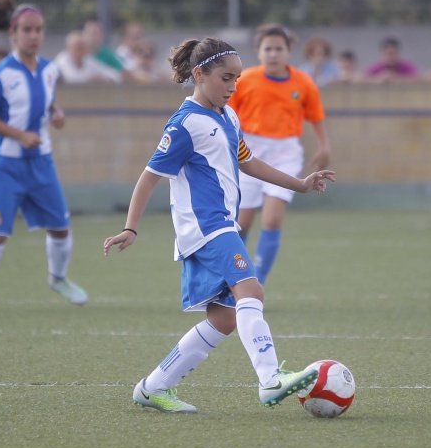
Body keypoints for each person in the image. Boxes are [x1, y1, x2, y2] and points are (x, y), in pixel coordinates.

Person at [102, 37, 336, 412]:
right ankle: (271, 379)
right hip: (207, 228)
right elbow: (148, 176)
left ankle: (152, 387)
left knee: (225, 318)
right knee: (252, 292)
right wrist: (131, 228)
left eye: (237, 79)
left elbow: (249, 162)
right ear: (199, 74)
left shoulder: (228, 116)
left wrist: (300, 184)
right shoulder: (184, 124)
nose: (233, 86)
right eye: (226, 78)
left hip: (218, 225)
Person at [0, 0, 88, 312]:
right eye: (27, 30)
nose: (34, 36)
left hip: (41, 163)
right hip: (4, 165)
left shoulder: (49, 70)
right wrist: (18, 135)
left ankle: (58, 279)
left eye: (39, 30)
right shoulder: (0, 73)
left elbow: (43, 103)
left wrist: (55, 114)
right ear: (13, 34)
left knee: (61, 228)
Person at [228, 23, 331, 285]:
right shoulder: (246, 79)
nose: (273, 54)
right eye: (268, 49)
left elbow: (316, 116)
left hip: (286, 152)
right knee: (241, 224)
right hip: (248, 152)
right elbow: (227, 115)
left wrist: (324, 145)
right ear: (258, 51)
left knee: (272, 219)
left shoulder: (303, 82)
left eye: (279, 48)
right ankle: (231, 279)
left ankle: (256, 283)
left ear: (289, 51)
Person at [54, 30, 120, 84]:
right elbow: (71, 79)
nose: (80, 50)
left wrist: (105, 79)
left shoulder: (88, 60)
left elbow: (113, 75)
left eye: (82, 46)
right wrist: (90, 80)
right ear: (68, 47)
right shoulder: (62, 59)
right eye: (77, 46)